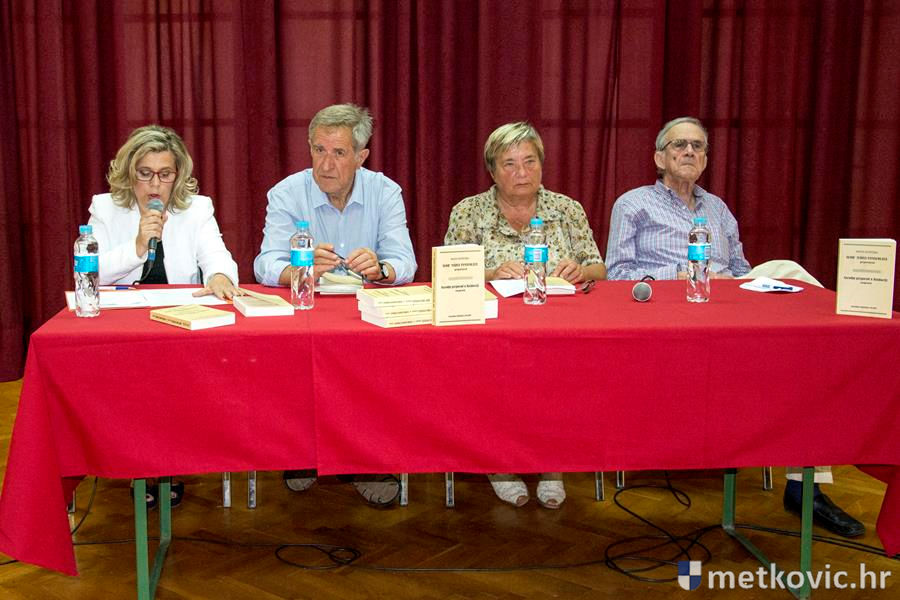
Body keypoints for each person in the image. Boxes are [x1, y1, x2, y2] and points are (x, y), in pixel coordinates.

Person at [605, 116, 865, 537]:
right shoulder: (633, 204)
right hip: (671, 319)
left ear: (706, 159)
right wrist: (686, 274)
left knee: (789, 274)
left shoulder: (718, 208)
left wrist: (736, 284)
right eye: (679, 145)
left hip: (732, 311)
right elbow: (617, 276)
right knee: (794, 351)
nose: (689, 152)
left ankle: (806, 479)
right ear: (659, 158)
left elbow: (743, 269)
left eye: (698, 146)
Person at [254, 103, 416, 506]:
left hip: (366, 314)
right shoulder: (287, 193)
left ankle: (367, 462)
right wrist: (298, 268)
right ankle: (304, 455)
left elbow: (405, 262)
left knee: (373, 366)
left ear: (361, 157)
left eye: (339, 153)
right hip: (308, 312)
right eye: (318, 150)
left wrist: (381, 269)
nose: (325, 164)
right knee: (297, 360)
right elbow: (265, 263)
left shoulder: (385, 192)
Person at [444, 121, 607, 509]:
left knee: (559, 372)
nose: (521, 172)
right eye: (510, 163)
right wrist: (490, 273)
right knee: (493, 376)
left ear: (542, 165)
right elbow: (448, 272)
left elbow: (599, 268)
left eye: (530, 161)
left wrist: (580, 270)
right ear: (492, 171)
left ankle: (552, 464)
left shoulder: (566, 209)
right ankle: (500, 464)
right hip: (491, 333)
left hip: (558, 331)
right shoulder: (468, 211)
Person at [88, 124, 241, 508]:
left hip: (178, 322)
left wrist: (220, 276)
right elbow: (91, 273)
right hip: (124, 327)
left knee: (177, 370)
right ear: (130, 173)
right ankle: (139, 463)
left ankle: (168, 462)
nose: (155, 185)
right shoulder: (105, 208)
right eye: (145, 173)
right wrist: (138, 245)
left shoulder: (197, 208)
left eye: (165, 174)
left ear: (178, 175)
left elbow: (217, 256)